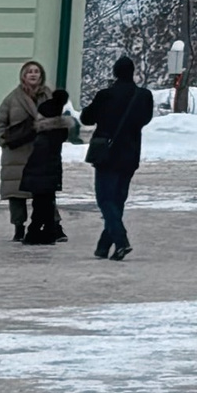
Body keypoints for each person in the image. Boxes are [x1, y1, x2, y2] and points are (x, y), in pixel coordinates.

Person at [80, 54, 156, 260]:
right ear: (133, 73)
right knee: (118, 200)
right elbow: (145, 120)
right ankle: (104, 246)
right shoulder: (144, 96)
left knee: (105, 199)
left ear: (115, 73)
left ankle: (121, 240)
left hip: (106, 154)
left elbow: (86, 118)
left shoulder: (105, 95)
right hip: (130, 154)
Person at [0, 60, 51, 242]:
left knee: (43, 192)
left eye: (36, 72)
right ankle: (19, 227)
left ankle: (51, 226)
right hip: (17, 153)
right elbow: (0, 123)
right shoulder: (12, 99)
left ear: (41, 76)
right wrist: (4, 141)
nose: (33, 74)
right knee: (17, 193)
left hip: (41, 151)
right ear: (23, 76)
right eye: (29, 72)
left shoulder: (48, 97)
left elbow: (58, 120)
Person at [19, 80, 79, 244]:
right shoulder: (56, 133)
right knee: (45, 202)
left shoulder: (44, 136)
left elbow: (38, 159)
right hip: (49, 174)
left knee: (41, 203)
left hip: (42, 174)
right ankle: (48, 230)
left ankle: (36, 232)